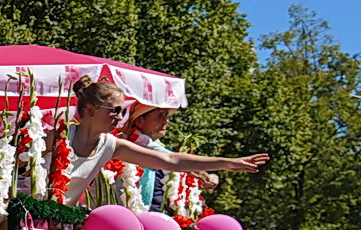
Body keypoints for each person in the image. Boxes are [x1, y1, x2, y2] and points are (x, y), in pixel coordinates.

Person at [60, 79, 268, 207]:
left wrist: (227, 163)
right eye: (114, 110)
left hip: (62, 225)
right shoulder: (58, 136)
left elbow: (170, 160)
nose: (120, 117)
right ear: (90, 110)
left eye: (123, 112)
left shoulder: (112, 145)